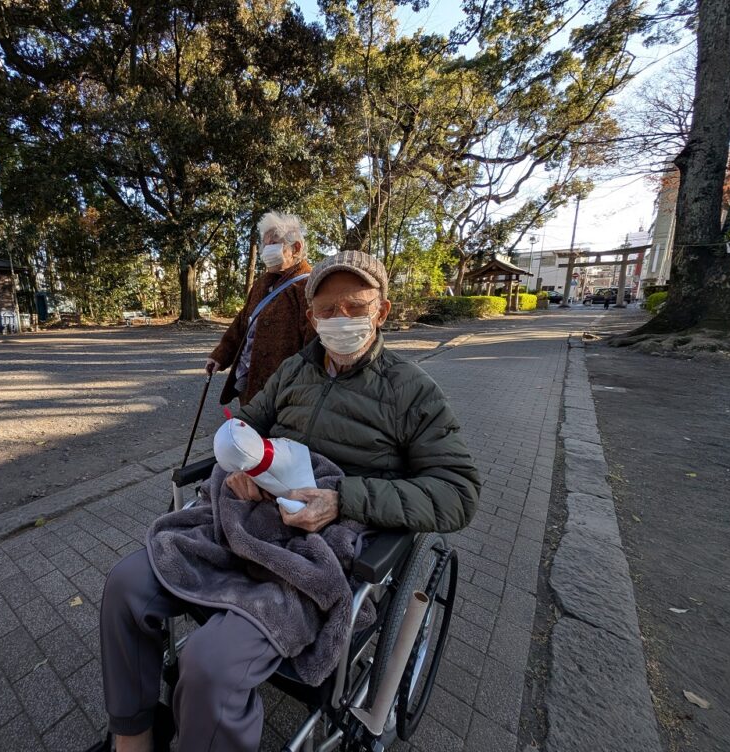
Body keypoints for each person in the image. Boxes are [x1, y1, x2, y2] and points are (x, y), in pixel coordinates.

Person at [95, 251, 481, 752]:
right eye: (327, 309)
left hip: (321, 546)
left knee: (210, 664)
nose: (341, 319)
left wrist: (344, 498)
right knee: (125, 585)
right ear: (311, 318)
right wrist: (239, 464)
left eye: (355, 306)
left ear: (381, 311)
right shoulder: (292, 372)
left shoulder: (412, 392)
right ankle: (133, 738)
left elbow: (458, 492)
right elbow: (245, 425)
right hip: (249, 518)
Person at [205, 211, 315, 405]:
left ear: (296, 248)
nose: (266, 250)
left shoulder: (308, 287)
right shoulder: (262, 283)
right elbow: (242, 322)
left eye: (273, 244)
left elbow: (313, 345)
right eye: (265, 244)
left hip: (284, 391)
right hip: (249, 382)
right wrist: (220, 356)